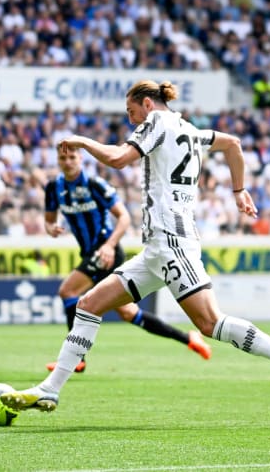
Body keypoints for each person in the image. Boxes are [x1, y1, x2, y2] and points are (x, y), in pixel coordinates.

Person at [0, 81, 270, 414]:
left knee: (210, 323)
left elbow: (117, 159)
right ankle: (50, 390)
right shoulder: (190, 130)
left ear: (147, 104)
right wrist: (239, 190)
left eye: (131, 112)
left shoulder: (157, 122)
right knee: (88, 304)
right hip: (156, 249)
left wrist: (82, 141)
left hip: (173, 242)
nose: (131, 121)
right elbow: (233, 144)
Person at [43, 145, 211, 373]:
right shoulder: (54, 188)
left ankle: (77, 359)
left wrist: (110, 246)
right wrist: (51, 227)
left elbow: (123, 218)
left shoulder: (95, 185)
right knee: (129, 313)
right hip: (90, 253)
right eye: (63, 158)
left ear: (80, 158)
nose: (68, 161)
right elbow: (49, 219)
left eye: (72, 157)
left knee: (68, 291)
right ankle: (189, 339)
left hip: (105, 251)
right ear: (58, 160)